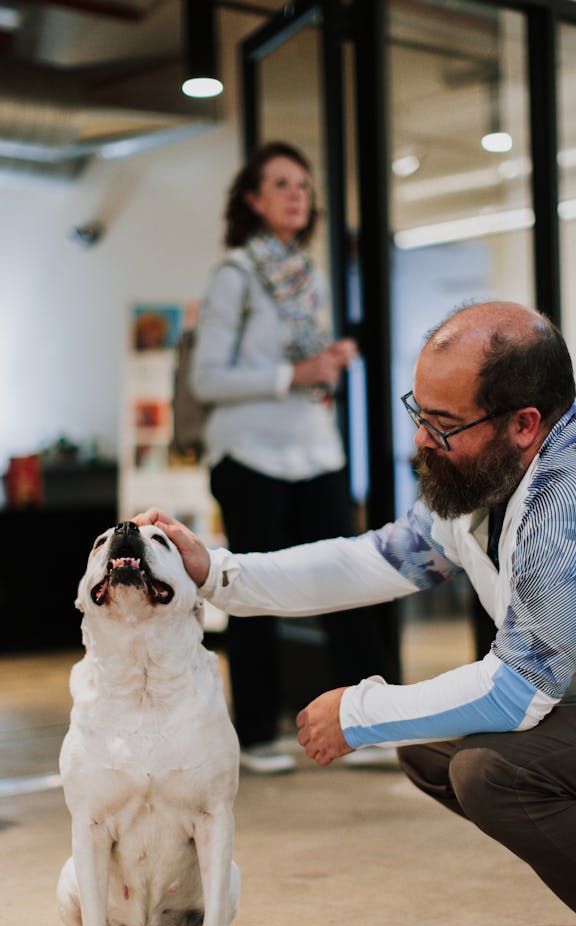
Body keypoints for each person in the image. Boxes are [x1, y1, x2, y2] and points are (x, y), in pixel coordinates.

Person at [137, 299, 576, 926]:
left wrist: (359, 711)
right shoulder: (488, 473)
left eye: (445, 424)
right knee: (429, 745)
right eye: (418, 413)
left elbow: (515, 695)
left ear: (524, 423)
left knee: (493, 770)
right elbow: (375, 560)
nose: (423, 440)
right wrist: (218, 571)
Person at [190, 140, 396, 774]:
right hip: (250, 453)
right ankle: (253, 735)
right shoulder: (236, 274)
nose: (296, 194)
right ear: (253, 200)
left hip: (315, 448)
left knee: (346, 581)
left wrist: (324, 370)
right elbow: (207, 379)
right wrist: (296, 370)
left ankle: (367, 723)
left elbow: (306, 368)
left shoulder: (310, 275)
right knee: (252, 592)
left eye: (303, 185)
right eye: (281, 183)